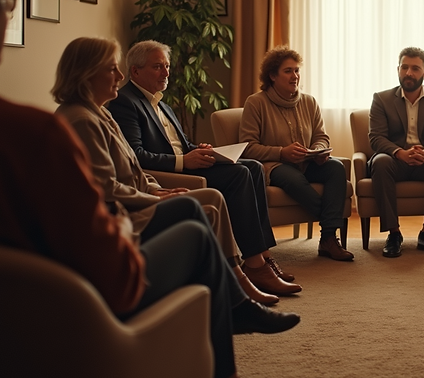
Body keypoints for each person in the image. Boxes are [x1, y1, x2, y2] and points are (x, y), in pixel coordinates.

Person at [0, 0, 298, 378]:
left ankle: (242, 287)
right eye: (9, 3)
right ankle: (232, 312)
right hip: (59, 315)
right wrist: (134, 214)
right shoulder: (28, 135)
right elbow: (115, 272)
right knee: (196, 232)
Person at [53, 36, 291, 306]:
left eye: (166, 66)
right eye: (111, 69)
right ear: (87, 73)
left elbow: (132, 163)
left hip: (154, 185)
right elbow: (118, 176)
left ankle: (253, 264)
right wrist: (157, 193)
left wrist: (193, 157)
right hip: (134, 203)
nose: (118, 76)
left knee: (251, 167)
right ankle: (242, 278)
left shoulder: (113, 111)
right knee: (229, 184)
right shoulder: (103, 112)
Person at [240, 46, 354, 261]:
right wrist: (282, 153)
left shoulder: (309, 102)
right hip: (274, 166)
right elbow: (247, 147)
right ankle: (331, 223)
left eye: (297, 70)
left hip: (307, 162)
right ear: (272, 75)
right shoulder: (256, 103)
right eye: (288, 71)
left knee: (336, 168)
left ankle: (328, 239)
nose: (295, 76)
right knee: (294, 179)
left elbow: (322, 136)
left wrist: (319, 151)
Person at [368, 47, 424, 257]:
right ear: (398, 69)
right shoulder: (381, 99)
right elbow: (376, 137)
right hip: (394, 161)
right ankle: (394, 234)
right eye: (405, 67)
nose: (409, 73)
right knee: (379, 162)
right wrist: (399, 152)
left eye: (415, 68)